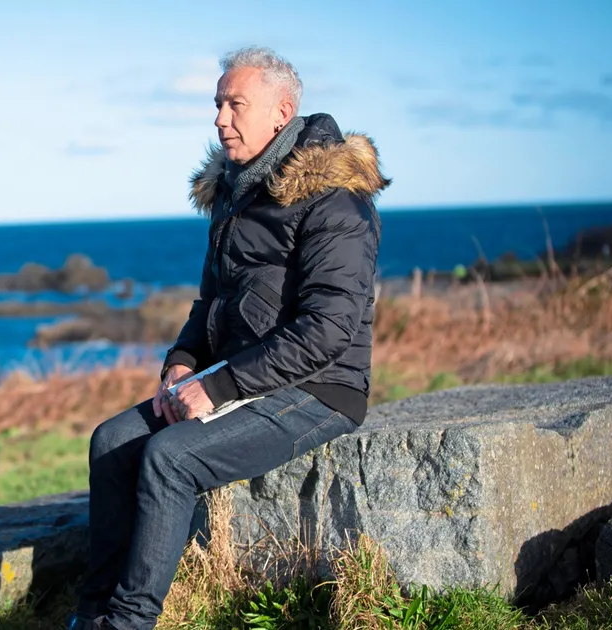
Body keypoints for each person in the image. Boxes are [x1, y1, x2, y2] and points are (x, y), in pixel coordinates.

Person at [68, 46, 390, 630]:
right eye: (217, 103)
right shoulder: (236, 193)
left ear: (281, 111)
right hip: (243, 374)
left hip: (321, 387)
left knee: (170, 458)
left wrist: (221, 390)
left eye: (234, 103)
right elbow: (211, 302)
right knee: (111, 441)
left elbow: (329, 330)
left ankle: (129, 622)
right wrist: (184, 364)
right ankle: (91, 615)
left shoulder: (336, 200)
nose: (220, 118)